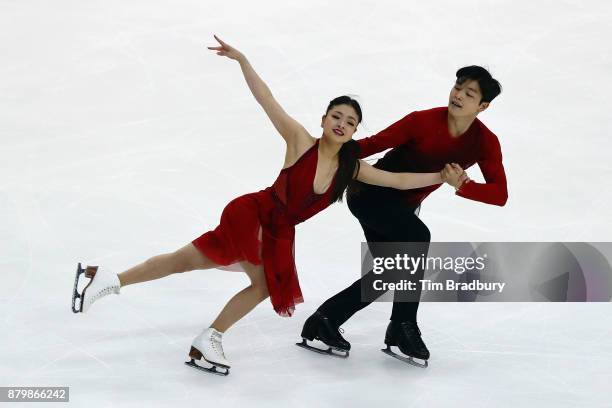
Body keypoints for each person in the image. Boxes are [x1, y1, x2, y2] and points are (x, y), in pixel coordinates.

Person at [70, 35, 468, 375]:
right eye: (336, 115)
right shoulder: (299, 140)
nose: (342, 123)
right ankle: (209, 338)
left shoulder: (353, 168)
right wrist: (243, 60)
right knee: (260, 285)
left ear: (354, 131)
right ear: (324, 118)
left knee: (184, 260)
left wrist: (442, 178)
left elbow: (397, 180)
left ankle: (108, 279)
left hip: (278, 231)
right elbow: (266, 99)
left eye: (350, 121)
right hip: (254, 214)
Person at [299, 65, 507, 367]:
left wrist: (463, 184)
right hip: (370, 194)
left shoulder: (484, 142)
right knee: (418, 238)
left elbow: (499, 194)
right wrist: (324, 150)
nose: (458, 95)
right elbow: (371, 144)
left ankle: (326, 319)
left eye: (469, 93)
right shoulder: (422, 121)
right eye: (457, 87)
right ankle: (403, 326)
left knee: (392, 270)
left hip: (402, 208)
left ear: (483, 106)